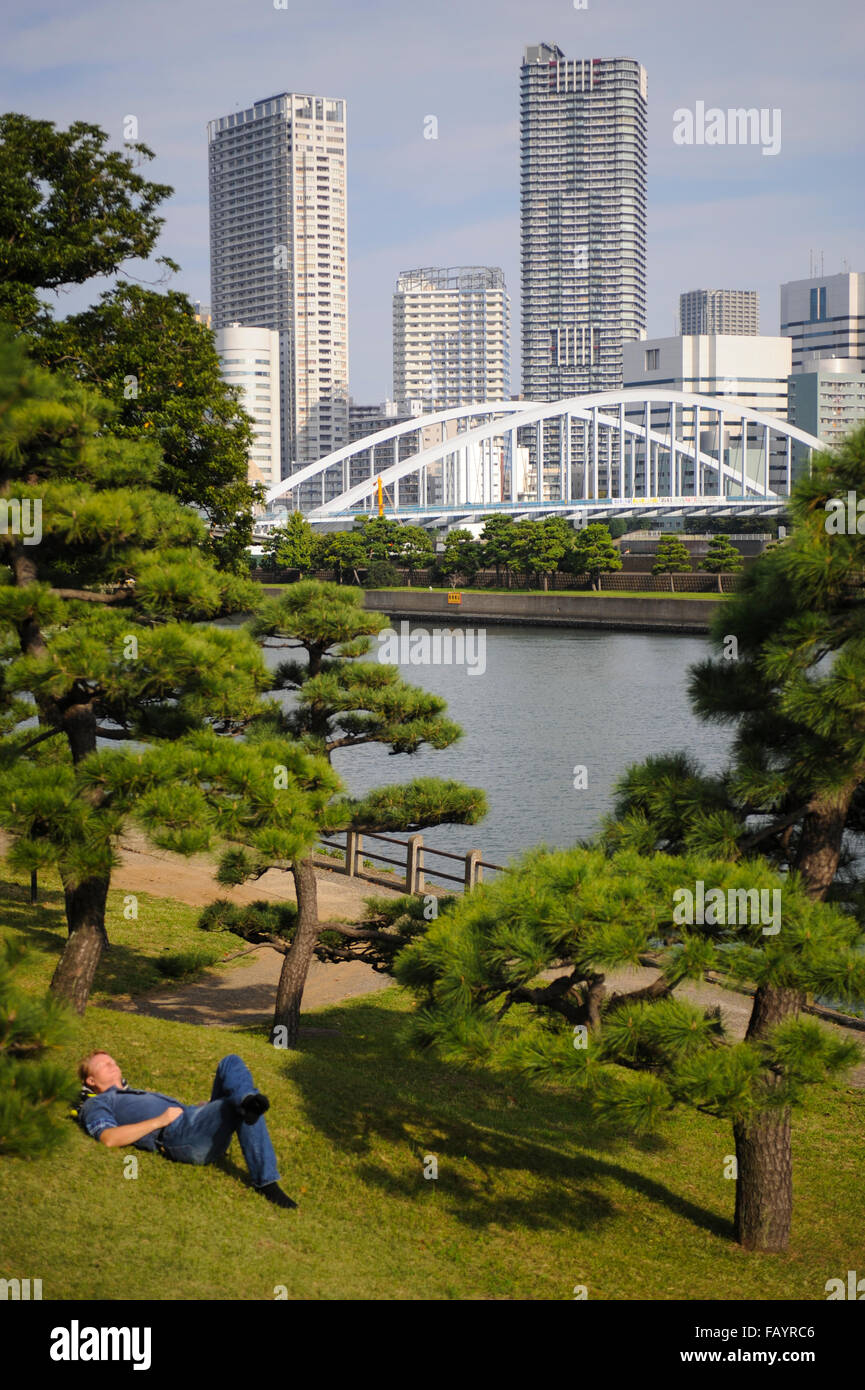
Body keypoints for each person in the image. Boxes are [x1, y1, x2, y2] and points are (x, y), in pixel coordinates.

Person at [75, 1050, 297, 1209]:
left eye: (113, 1060)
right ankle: (266, 1182)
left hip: (192, 1122)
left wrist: (201, 1110)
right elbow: (108, 1138)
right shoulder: (98, 1103)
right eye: (105, 1064)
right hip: (178, 1136)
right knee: (236, 1106)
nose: (113, 1064)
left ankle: (247, 1100)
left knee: (230, 1062)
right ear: (91, 1079)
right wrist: (159, 1121)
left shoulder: (131, 1093)